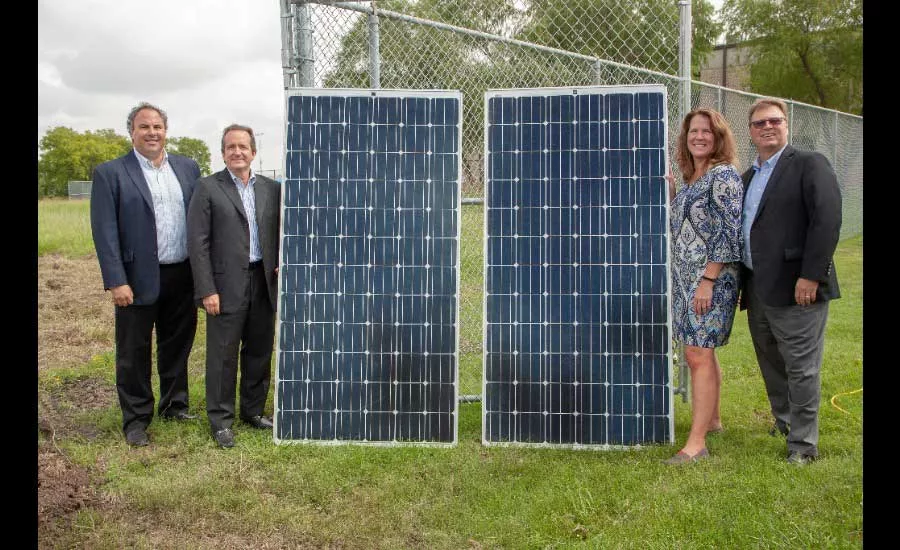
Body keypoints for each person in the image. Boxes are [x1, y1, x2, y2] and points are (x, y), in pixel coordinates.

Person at [90, 102, 201, 447]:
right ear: (132, 132)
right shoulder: (111, 173)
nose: (152, 132)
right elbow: (104, 231)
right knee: (133, 352)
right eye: (144, 127)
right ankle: (136, 419)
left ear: (166, 131)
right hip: (136, 280)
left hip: (182, 274)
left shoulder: (188, 168)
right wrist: (116, 280)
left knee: (177, 345)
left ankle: (174, 405)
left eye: (157, 127)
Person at [740, 98, 842, 465]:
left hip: (798, 287)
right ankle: (784, 421)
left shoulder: (809, 164)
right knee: (771, 361)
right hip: (757, 286)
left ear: (787, 125)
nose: (767, 127)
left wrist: (811, 275)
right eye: (759, 123)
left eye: (774, 121)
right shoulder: (748, 177)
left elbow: (827, 219)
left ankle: (803, 444)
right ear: (751, 132)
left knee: (801, 366)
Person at [187, 124, 281, 449]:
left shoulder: (272, 189)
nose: (237, 152)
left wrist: (282, 261)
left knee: (259, 351)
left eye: (243, 146)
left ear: (253, 152)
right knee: (223, 355)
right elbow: (197, 243)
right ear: (223, 153)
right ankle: (221, 421)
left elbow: (282, 232)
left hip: (264, 282)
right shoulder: (207, 188)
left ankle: (253, 411)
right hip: (225, 286)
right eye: (231, 147)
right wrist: (206, 289)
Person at [664, 108, 744, 465]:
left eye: (707, 131)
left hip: (711, 280)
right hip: (686, 280)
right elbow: (685, 228)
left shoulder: (723, 175)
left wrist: (708, 281)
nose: (699, 136)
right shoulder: (692, 179)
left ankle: (696, 444)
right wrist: (672, 195)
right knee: (701, 352)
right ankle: (712, 420)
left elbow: (728, 234)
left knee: (698, 354)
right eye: (693, 131)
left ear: (718, 137)